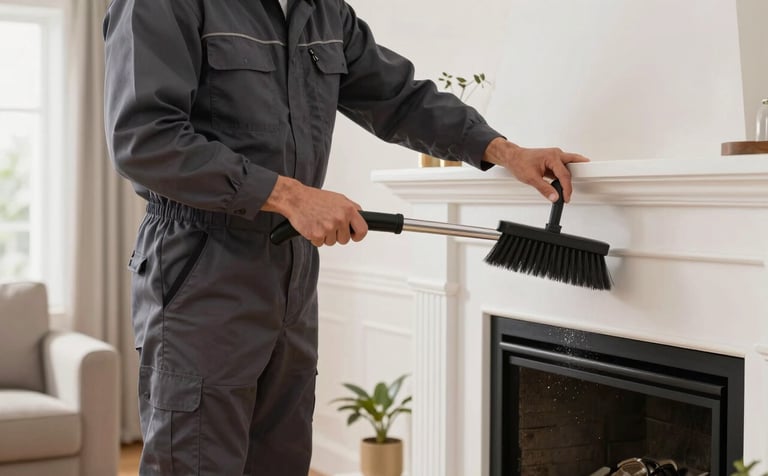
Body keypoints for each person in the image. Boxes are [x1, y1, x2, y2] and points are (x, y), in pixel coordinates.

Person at [103, 0, 589, 474]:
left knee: (280, 458)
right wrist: (290, 196)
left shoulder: (323, 11)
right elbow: (144, 139)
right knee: (197, 458)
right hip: (200, 267)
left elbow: (401, 99)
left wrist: (504, 150)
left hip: (291, 267)